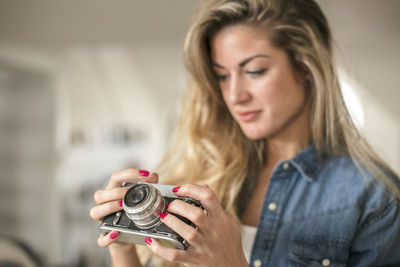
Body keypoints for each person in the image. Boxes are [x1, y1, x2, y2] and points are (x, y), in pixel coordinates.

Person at [89, 0, 400, 266]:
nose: (235, 95)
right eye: (222, 76)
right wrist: (123, 247)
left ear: (305, 67)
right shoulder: (203, 173)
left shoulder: (373, 199)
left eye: (254, 71)